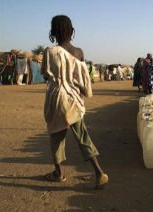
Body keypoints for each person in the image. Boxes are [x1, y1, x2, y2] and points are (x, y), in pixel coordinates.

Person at [41, 15, 108, 189]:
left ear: (53, 32)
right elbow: (84, 78)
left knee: (56, 137)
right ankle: (99, 172)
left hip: (57, 100)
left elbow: (46, 74)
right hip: (74, 101)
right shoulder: (79, 52)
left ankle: (58, 173)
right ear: (71, 31)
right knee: (82, 136)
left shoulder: (50, 52)